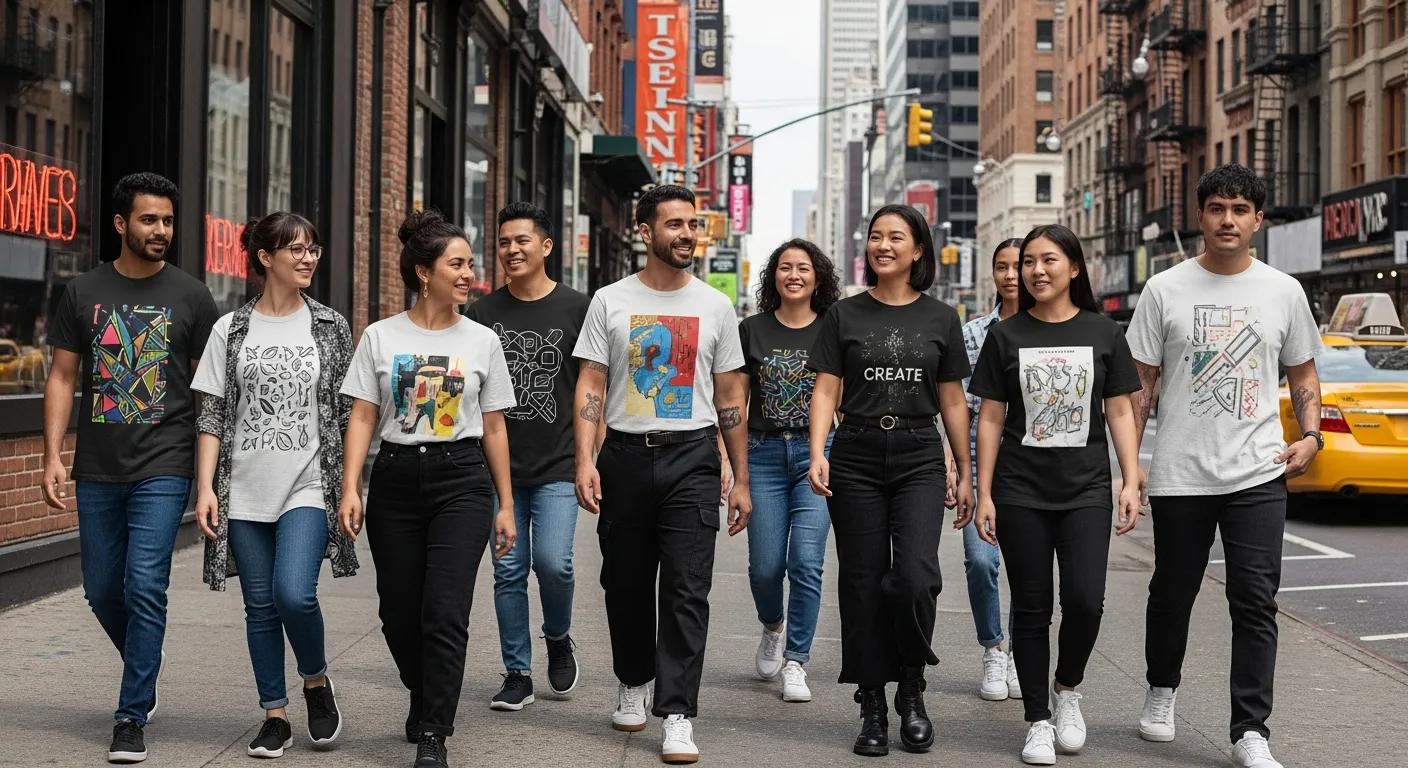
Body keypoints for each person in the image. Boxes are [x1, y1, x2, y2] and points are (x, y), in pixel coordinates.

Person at [1127, 164, 1323, 768]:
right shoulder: (1164, 290)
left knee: (1255, 600)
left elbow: (1304, 375)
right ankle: (1162, 692)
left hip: (1258, 472)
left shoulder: (1283, 291)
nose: (1228, 219)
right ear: (1201, 216)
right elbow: (1140, 388)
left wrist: (1312, 436)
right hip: (1182, 472)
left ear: (1258, 220)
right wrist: (1129, 470)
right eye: (1217, 208)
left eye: (1240, 209)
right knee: (1172, 592)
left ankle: (1250, 730)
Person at [40, 172, 219, 764]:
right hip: (97, 464)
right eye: (149, 220)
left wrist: (207, 474)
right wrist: (52, 456)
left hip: (164, 464)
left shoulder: (193, 296)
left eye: (168, 220)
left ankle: (130, 713)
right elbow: (63, 377)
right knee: (100, 590)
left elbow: (210, 392)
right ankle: (146, 667)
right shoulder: (82, 290)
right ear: (121, 224)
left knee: (146, 586)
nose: (161, 230)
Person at [571, 184, 751, 765]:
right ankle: (633, 679)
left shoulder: (715, 306)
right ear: (644, 232)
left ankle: (678, 712)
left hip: (693, 459)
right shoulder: (609, 301)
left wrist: (739, 476)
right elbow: (592, 383)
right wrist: (583, 459)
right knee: (622, 582)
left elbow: (729, 395)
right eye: (673, 224)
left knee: (686, 588)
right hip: (622, 454)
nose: (686, 234)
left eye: (692, 224)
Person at [337, 209, 518, 768]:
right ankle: (422, 691)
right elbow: (364, 415)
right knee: (398, 610)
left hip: (462, 479)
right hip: (393, 478)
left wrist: (506, 503)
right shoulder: (381, 336)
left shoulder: (483, 340)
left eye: (470, 264)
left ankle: (435, 729)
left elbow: (493, 425)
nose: (470, 274)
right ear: (424, 271)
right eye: (457, 264)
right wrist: (352, 487)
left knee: (445, 611)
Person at [969, 224, 1144, 765]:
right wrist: (985, 493)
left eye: (1048, 261)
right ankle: (1037, 720)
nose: (1036, 271)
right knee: (1032, 607)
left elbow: (1119, 409)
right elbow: (992, 418)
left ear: (1073, 268)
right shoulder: (1005, 336)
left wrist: (1131, 478)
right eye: (1028, 262)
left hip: (1086, 489)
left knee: (1087, 600)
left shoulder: (1105, 332)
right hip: (1020, 489)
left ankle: (1068, 689)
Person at [806, 203, 975, 757]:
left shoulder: (941, 317)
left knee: (916, 577)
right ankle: (873, 702)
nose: (883, 245)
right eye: (875, 236)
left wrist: (964, 468)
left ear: (918, 249)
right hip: (854, 451)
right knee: (861, 581)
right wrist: (818, 451)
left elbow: (952, 398)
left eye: (895, 237)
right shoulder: (843, 315)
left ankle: (913, 685)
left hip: (918, 453)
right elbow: (827, 387)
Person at [191, 211, 358, 758]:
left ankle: (314, 680)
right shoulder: (231, 328)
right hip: (243, 488)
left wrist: (352, 485)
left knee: (294, 593)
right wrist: (207, 487)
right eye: (296, 249)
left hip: (308, 484)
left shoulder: (331, 327)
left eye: (313, 248)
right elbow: (212, 413)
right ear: (266, 259)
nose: (309, 258)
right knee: (259, 607)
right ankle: (274, 715)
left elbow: (349, 411)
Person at [465, 202, 591, 710]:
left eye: (522, 241)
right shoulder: (481, 313)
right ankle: (517, 670)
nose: (511, 250)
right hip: (499, 471)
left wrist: (589, 456)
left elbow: (590, 387)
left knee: (554, 564)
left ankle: (557, 638)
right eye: (502, 242)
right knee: (508, 571)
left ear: (546, 246)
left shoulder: (579, 309)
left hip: (558, 463)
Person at [738, 238, 841, 704]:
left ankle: (796, 660)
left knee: (806, 562)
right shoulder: (751, 329)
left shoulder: (833, 328)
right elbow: (735, 403)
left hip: (815, 455)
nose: (793, 275)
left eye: (803, 268)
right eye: (784, 267)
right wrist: (730, 463)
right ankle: (772, 626)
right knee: (765, 567)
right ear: (773, 276)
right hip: (761, 455)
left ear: (818, 277)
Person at [958, 238, 1024, 702]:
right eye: (1001, 267)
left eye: (1017, 266)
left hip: (1031, 467)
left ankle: (1024, 654)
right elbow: (958, 403)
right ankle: (993, 648)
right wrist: (957, 466)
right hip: (981, 464)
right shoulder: (974, 332)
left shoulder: (1054, 329)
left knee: (1027, 568)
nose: (1010, 275)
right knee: (981, 562)